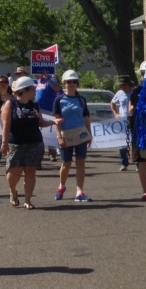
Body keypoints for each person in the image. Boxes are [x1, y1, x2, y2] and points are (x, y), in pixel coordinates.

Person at [0, 75, 54, 209]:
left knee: (30, 171)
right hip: (15, 142)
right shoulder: (10, 104)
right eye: (32, 89)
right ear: (24, 90)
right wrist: (4, 142)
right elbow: (6, 125)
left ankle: (28, 200)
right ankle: (13, 191)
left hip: (34, 142)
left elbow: (40, 121)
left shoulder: (35, 104)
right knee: (14, 172)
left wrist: (53, 122)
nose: (34, 91)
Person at [53, 69, 94, 201]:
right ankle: (62, 186)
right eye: (69, 81)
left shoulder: (81, 99)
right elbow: (56, 120)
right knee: (66, 163)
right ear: (64, 82)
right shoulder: (59, 100)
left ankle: (79, 191)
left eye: (74, 82)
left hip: (81, 133)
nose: (72, 84)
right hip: (67, 134)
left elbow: (86, 117)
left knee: (81, 163)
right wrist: (59, 137)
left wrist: (90, 134)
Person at [130, 62, 146, 201]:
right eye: (143, 73)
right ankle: (145, 190)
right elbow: (131, 108)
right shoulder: (137, 90)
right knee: (142, 160)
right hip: (140, 128)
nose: (145, 76)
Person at [111, 76, 134, 171]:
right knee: (122, 143)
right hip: (122, 120)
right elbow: (112, 103)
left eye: (123, 85)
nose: (121, 87)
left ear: (128, 85)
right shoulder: (119, 93)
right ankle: (124, 163)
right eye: (121, 85)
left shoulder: (134, 93)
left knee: (134, 142)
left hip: (133, 119)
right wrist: (115, 113)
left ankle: (137, 164)